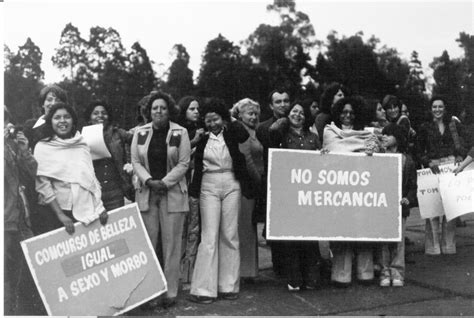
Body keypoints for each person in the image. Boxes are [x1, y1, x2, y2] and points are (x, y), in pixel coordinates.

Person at [189, 98, 253, 304]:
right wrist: (198, 137)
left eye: (215, 119)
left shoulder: (232, 132)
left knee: (230, 233)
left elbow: (244, 135)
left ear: (222, 118)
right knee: (209, 235)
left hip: (232, 182)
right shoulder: (200, 137)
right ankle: (203, 288)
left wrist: (230, 117)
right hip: (209, 183)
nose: (212, 124)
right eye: (208, 120)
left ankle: (229, 285)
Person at [131, 91, 191, 308]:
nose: (159, 111)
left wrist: (164, 183)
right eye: (155, 108)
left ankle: (170, 292)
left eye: (163, 108)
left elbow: (183, 164)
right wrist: (148, 181)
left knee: (172, 245)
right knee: (149, 244)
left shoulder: (180, 132)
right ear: (149, 111)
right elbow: (135, 161)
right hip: (147, 194)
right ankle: (149, 293)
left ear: (169, 110)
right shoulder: (140, 132)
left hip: (172, 194)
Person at [323, 96, 380, 286]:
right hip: (339, 188)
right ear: (338, 113)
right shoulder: (329, 130)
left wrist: (370, 149)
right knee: (341, 231)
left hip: (362, 187)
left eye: (351, 112)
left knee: (363, 229)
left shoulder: (367, 133)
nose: (347, 116)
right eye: (344, 112)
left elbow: (375, 151)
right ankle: (341, 274)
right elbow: (336, 150)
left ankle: (366, 272)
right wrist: (362, 149)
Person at [269, 101, 322, 291]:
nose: (297, 115)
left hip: (308, 195)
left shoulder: (313, 137)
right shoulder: (280, 135)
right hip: (289, 194)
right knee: (291, 239)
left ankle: (311, 278)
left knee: (309, 239)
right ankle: (294, 279)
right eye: (294, 111)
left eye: (301, 112)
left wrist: (323, 155)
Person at [34, 102, 108, 235]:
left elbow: (91, 179)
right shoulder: (42, 147)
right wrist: (60, 215)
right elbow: (43, 186)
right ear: (50, 121)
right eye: (57, 117)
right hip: (57, 212)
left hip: (86, 209)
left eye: (66, 117)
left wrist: (99, 207)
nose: (62, 121)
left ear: (73, 120)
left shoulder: (81, 144)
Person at [4, 106, 45, 315]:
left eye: (5, 119)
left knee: (23, 271)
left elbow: (34, 172)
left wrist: (24, 148)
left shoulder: (12, 145)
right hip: (5, 219)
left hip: (21, 218)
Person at [416, 96, 468, 255]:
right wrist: (427, 161)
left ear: (445, 108)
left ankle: (449, 245)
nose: (437, 110)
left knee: (449, 208)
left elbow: (463, 144)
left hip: (450, 167)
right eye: (434, 107)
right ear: (430, 109)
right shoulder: (424, 127)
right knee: (432, 210)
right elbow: (418, 149)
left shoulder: (453, 125)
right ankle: (432, 247)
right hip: (433, 168)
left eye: (440, 106)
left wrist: (460, 156)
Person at [256, 89, 291, 277]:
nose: (283, 105)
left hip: (295, 182)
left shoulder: (298, 123)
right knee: (275, 228)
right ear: (271, 105)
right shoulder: (262, 127)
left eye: (286, 101)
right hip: (273, 183)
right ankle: (279, 267)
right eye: (278, 102)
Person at [378, 124, 417, 287]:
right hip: (382, 206)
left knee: (399, 242)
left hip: (399, 207)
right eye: (383, 135)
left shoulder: (407, 160)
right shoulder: (378, 157)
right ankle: (384, 271)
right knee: (383, 241)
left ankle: (398, 272)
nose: (385, 137)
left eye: (389, 134)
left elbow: (413, 186)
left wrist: (408, 198)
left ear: (398, 138)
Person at [231, 98, 264, 281]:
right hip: (247, 183)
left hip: (256, 183)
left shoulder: (256, 131)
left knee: (250, 227)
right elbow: (246, 158)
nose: (253, 116)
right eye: (249, 113)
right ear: (240, 114)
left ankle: (250, 270)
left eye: (255, 113)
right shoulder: (240, 130)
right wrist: (259, 180)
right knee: (244, 227)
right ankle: (244, 271)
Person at [176, 96, 205, 288]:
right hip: (181, 184)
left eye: (197, 108)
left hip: (198, 183)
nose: (196, 111)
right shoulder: (178, 132)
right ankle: (178, 271)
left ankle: (191, 270)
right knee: (182, 227)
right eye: (191, 108)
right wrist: (194, 141)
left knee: (195, 226)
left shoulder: (204, 129)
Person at [84, 100, 134, 210]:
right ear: (89, 117)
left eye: (103, 112)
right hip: (94, 193)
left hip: (116, 191)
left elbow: (138, 142)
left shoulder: (118, 133)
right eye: (95, 113)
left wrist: (132, 163)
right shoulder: (83, 137)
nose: (100, 116)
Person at [24, 84, 68, 152]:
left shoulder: (68, 126)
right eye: (49, 100)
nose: (53, 103)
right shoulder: (30, 126)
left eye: (58, 100)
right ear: (42, 104)